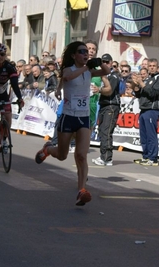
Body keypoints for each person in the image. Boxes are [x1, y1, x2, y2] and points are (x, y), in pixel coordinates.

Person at [34, 41, 110, 206]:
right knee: (62, 155)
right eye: (81, 51)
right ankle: (48, 149)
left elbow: (106, 71)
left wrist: (100, 63)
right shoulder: (70, 69)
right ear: (74, 55)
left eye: (86, 52)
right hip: (68, 117)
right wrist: (86, 67)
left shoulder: (90, 71)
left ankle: (81, 190)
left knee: (81, 156)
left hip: (83, 118)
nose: (85, 54)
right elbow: (67, 77)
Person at [132, 58, 159, 166]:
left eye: (154, 66)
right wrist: (136, 85)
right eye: (150, 66)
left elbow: (152, 93)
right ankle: (146, 156)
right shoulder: (147, 80)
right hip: (143, 109)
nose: (151, 67)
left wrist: (141, 83)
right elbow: (139, 94)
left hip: (152, 110)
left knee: (151, 135)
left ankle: (153, 158)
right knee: (144, 135)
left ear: (157, 67)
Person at [92, 53, 121, 166]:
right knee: (101, 131)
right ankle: (103, 155)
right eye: (102, 62)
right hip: (103, 105)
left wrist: (99, 89)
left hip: (111, 105)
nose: (104, 64)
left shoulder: (113, 76)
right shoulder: (102, 75)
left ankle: (107, 158)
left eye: (106, 62)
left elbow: (109, 90)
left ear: (111, 63)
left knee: (106, 131)